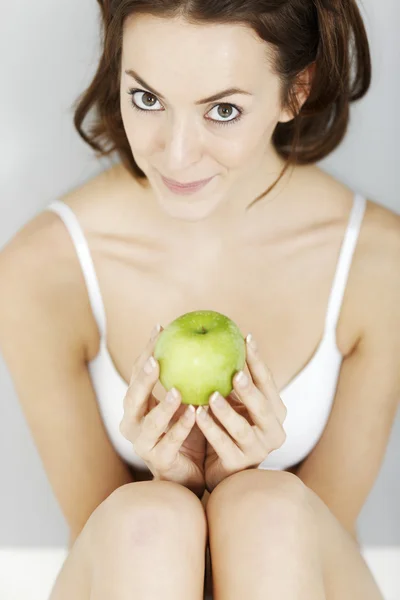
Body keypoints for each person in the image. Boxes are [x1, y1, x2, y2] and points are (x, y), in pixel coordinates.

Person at [0, 0, 399, 598]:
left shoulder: (378, 263)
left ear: (297, 91)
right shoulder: (43, 269)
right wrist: (176, 481)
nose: (176, 154)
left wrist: (244, 479)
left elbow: (319, 536)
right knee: (148, 521)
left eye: (223, 110)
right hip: (134, 568)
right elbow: (102, 540)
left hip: (295, 568)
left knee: (264, 510)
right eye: (148, 99)